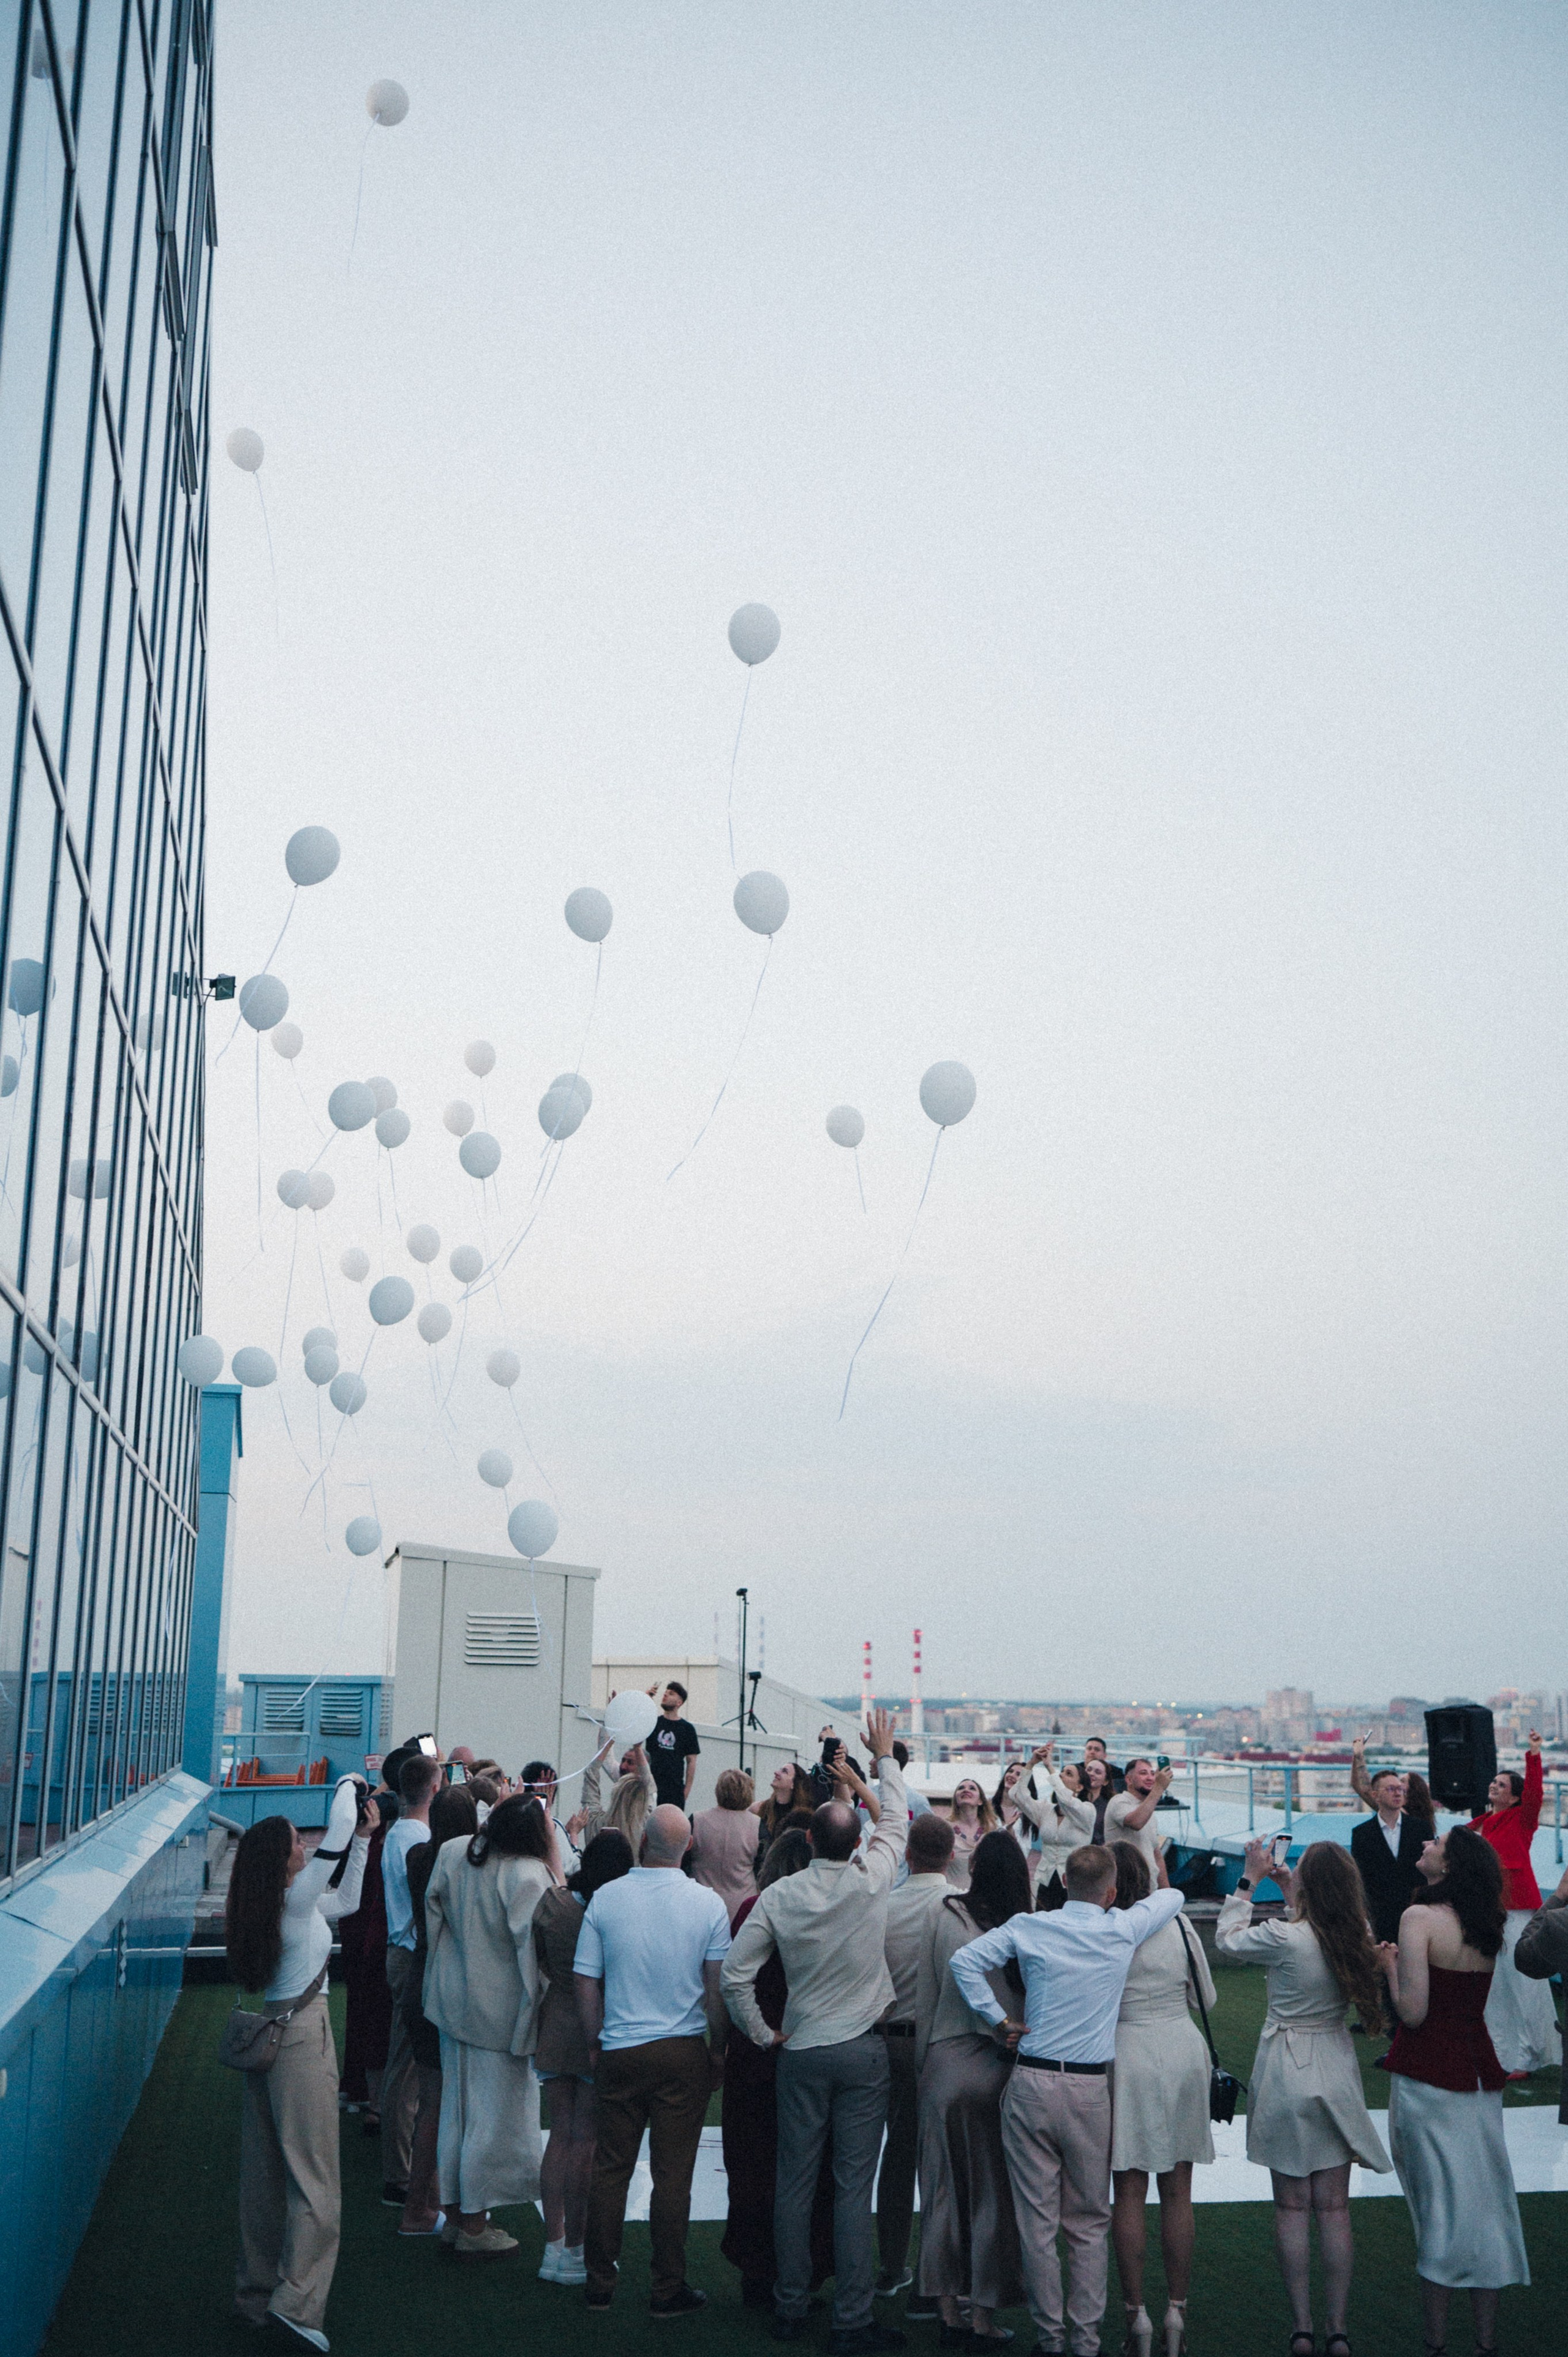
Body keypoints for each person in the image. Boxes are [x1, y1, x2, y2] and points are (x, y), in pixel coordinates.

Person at [722, 1708, 909, 2353]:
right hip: (861, 2049)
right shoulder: (871, 1877)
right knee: (852, 2187)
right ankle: (851, 2317)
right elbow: (896, 1818)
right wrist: (878, 1761)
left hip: (800, 2047)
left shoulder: (779, 1896)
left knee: (794, 2181)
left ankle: (789, 2304)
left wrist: (758, 2029)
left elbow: (733, 1975)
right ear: (852, 1842)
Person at [948, 1842, 1181, 2357]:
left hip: (1031, 2082)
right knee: (1089, 2222)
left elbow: (964, 1962)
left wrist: (997, 2019)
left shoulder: (1031, 1926)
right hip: (1086, 2088)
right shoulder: (1121, 1926)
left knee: (1037, 2222)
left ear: (1063, 1884)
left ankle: (1051, 2339)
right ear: (1111, 1892)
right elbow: (1172, 1896)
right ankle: (1085, 2341)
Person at [1217, 1839, 1392, 2357]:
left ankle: (1302, 2327)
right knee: (1334, 2208)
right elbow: (1319, 1931)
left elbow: (1227, 1939)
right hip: (1334, 2065)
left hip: (1286, 2069)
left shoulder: (1282, 1937)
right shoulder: (1356, 1935)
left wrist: (1249, 1881)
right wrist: (1293, 1889)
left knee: (1292, 2208)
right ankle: (1337, 2329)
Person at [226, 1777, 377, 2353]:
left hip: (271, 2033)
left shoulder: (281, 1903)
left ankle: (256, 2294)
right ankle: (298, 2303)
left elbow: (349, 1901)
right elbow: (335, 1834)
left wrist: (362, 1840)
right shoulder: (292, 1899)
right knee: (316, 2179)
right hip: (302, 2037)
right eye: (294, 1841)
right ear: (279, 1858)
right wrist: (347, 1784)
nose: (303, 1847)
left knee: (264, 2176)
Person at [575, 1805, 731, 2317]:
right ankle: (667, 2287)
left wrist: (595, 2040)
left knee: (611, 2167)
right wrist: (717, 2049)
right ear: (687, 1848)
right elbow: (717, 1990)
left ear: (642, 1840)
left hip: (620, 2045)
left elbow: (585, 1981)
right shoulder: (707, 1905)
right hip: (682, 2050)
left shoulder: (607, 1898)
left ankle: (599, 2280)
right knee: (673, 2175)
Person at [1378, 1825, 1528, 2356]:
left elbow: (1414, 2014)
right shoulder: (1487, 1923)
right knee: (1486, 2207)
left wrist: (1390, 1967)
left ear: (1450, 1866)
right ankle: (1484, 2343)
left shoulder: (1418, 1918)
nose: (1425, 1845)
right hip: (1479, 2075)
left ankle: (1435, 2343)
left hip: (1428, 2079)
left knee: (1436, 2210)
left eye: (1435, 1843)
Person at [423, 1792, 556, 2255]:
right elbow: (536, 1952)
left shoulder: (454, 1850)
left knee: (457, 2115)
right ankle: (474, 2227)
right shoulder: (528, 1875)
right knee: (491, 2122)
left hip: (451, 1998)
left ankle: (457, 2217)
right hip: (499, 2014)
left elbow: (434, 1916)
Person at [914, 1830, 1030, 2347]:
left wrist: (923, 2067)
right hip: (998, 2068)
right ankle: (983, 2317)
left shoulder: (945, 1915)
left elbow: (927, 1994)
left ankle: (946, 2311)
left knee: (941, 2191)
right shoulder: (1025, 1928)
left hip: (943, 2062)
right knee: (991, 2196)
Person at [1107, 1842, 1216, 2357]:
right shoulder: (1177, 1923)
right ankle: (1178, 2310)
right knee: (1178, 2191)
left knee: (1127, 2191)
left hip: (1126, 2054)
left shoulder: (1104, 1929)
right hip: (1180, 2048)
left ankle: (1137, 2317)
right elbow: (1207, 1999)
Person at [722, 1830, 840, 2309]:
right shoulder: (828, 1915)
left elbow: (733, 1980)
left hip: (760, 2054)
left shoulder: (756, 1911)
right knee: (809, 2169)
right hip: (806, 2048)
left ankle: (758, 2268)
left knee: (753, 2166)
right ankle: (804, 2269)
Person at [531, 1830, 634, 2284]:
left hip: (554, 2020)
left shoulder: (553, 1904)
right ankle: (576, 2247)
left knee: (560, 2137)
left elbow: (539, 1958)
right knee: (585, 2142)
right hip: (595, 2025)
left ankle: (554, 2246)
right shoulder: (612, 1911)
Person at [875, 1811, 957, 2301]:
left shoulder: (884, 1905)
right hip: (938, 2046)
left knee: (895, 2158)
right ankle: (933, 2278)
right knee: (937, 2164)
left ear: (907, 1854)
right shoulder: (956, 1908)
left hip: (885, 2041)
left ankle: (890, 2265)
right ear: (950, 1856)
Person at [398, 1784, 480, 2239]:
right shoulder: (464, 1866)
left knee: (433, 2098)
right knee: (437, 2103)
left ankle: (428, 2202)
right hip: (443, 1983)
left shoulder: (418, 1859)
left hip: (420, 1975)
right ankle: (419, 2207)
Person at [1467, 1727, 1559, 2076]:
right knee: (1495, 1987)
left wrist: (1533, 1754)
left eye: (1502, 1785)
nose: (1494, 1786)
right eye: (1493, 1782)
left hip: (1518, 1910)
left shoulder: (1522, 1818)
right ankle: (1504, 2055)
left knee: (1524, 1983)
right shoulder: (1480, 1824)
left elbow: (1535, 1792)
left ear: (1516, 1798)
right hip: (1489, 1911)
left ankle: (1530, 2054)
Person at [380, 1752, 442, 2203]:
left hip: (398, 1951)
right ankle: (399, 2176)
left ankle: (402, 2168)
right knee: (405, 2072)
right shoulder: (418, 1840)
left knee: (406, 2068)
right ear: (435, 1790)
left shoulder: (396, 1835)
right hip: (408, 1953)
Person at [337, 1773, 396, 2133]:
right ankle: (375, 2099)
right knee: (376, 2017)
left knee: (362, 2011)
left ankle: (361, 2092)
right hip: (372, 1934)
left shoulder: (365, 1838)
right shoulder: (384, 1844)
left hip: (360, 1930)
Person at [1349, 1763, 1427, 1947]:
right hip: (1379, 1916)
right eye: (1391, 1789)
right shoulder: (1362, 1834)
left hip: (1414, 1913)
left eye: (1400, 1789)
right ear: (1375, 1795)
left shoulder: (1420, 1829)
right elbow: (1361, 1877)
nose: (1398, 1793)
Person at [1014, 1746, 1093, 1910]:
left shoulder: (1087, 1811)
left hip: (1075, 1884)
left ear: (1079, 1787)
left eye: (1068, 1774)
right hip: (1046, 1880)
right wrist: (1031, 1764)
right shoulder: (1046, 1810)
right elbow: (1019, 1796)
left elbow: (1066, 1799)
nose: (1061, 1776)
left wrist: (1050, 1768)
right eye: (1062, 1772)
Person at [690, 1768, 762, 1917]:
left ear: (719, 1790)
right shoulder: (759, 1826)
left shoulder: (696, 1820)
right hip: (743, 1905)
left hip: (700, 1902)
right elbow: (762, 1869)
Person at [573, 1738, 656, 1857]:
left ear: (614, 1793)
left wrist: (608, 1744)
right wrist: (637, 1748)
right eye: (623, 1761)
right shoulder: (645, 1825)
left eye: (630, 1762)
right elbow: (649, 1786)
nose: (622, 1767)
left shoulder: (597, 1823)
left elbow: (591, 1773)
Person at [1105, 1758, 1174, 1889]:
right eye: (1143, 1773)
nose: (1150, 1778)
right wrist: (1159, 1787)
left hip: (1149, 1887)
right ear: (1129, 1780)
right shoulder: (1119, 1801)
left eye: (1153, 1774)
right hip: (1125, 1887)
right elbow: (1136, 1823)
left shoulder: (1149, 1812)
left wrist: (1167, 1892)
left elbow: (1157, 1855)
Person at [648, 1681, 701, 1810]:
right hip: (651, 1787)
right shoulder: (653, 1723)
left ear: (679, 1702)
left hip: (674, 1790)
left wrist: (685, 1792)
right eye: (665, 1693)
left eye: (671, 1694)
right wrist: (647, 1698)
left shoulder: (687, 1729)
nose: (665, 1695)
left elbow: (691, 1762)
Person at [946, 1776, 996, 1891]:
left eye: (972, 1788)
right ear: (956, 1799)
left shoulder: (992, 1831)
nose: (966, 1790)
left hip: (983, 1897)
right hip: (953, 1896)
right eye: (961, 1788)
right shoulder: (944, 1829)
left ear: (980, 1801)